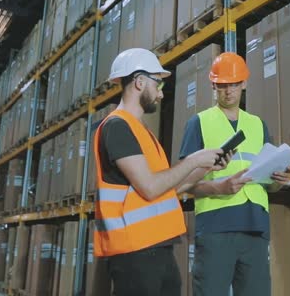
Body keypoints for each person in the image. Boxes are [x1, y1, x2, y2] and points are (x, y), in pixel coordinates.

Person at [92, 48, 231, 295]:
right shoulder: (117, 127)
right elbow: (150, 186)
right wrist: (194, 159)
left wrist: (205, 166)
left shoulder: (140, 130)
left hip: (157, 247)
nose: (160, 92)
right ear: (139, 82)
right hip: (134, 252)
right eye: (158, 83)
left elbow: (169, 187)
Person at [179, 52, 290, 296]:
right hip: (215, 228)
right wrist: (218, 188)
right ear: (213, 85)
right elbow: (183, 184)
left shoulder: (258, 125)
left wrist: (278, 182)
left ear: (244, 83)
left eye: (233, 84)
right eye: (221, 86)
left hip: (256, 226)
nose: (228, 91)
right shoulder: (198, 123)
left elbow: (267, 184)